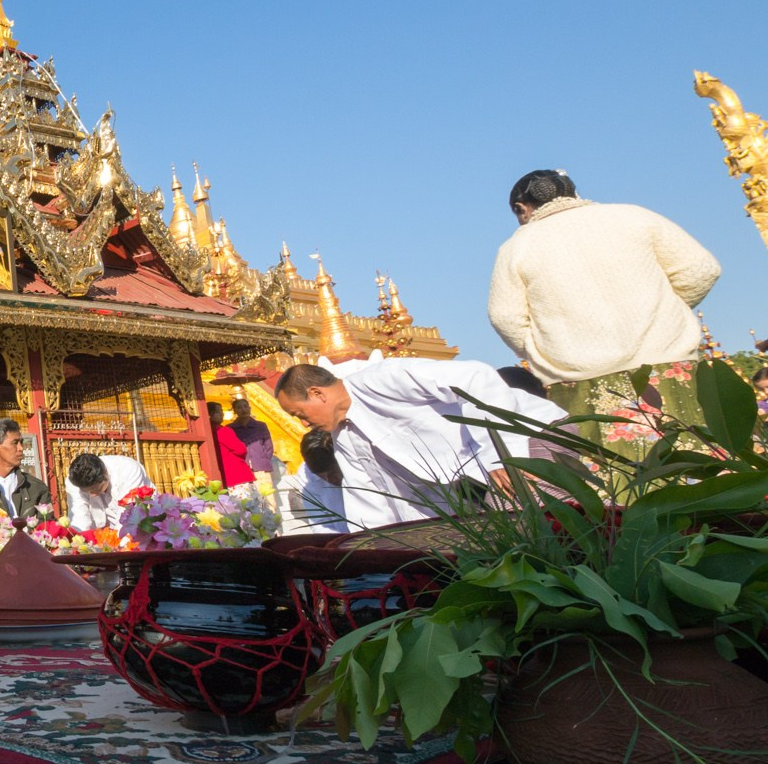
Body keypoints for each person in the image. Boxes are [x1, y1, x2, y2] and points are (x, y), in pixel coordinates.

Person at [487, 169, 720, 424]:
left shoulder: (517, 246)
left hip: (580, 381)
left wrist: (546, 346)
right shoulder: (634, 216)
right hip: (667, 363)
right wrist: (662, 310)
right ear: (574, 193)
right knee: (700, 454)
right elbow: (701, 269)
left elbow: (505, 317)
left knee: (611, 464)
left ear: (522, 209)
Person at [273, 358, 568, 529]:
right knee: (492, 539)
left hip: (527, 433)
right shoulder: (344, 437)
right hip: (480, 475)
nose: (303, 424)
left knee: (534, 529)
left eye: (300, 414)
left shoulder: (380, 379)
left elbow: (476, 377)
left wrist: (501, 455)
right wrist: (377, 548)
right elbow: (371, 497)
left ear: (318, 394)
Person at [63, 452, 151, 531]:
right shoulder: (74, 481)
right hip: (104, 531)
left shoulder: (129, 469)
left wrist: (117, 545)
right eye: (87, 492)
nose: (92, 495)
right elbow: (79, 517)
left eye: (96, 489)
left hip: (144, 525)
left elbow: (127, 516)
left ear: (105, 473)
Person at [209, 401, 255, 487]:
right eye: (219, 412)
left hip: (221, 477)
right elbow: (241, 450)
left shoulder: (206, 432)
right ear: (210, 415)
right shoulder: (223, 431)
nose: (222, 414)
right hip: (236, 474)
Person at [228, 395, 274, 479]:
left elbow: (269, 447)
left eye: (245, 406)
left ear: (249, 408)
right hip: (241, 468)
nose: (243, 409)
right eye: (239, 408)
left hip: (261, 467)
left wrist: (263, 459)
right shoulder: (230, 429)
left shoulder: (260, 426)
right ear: (234, 411)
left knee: (265, 491)